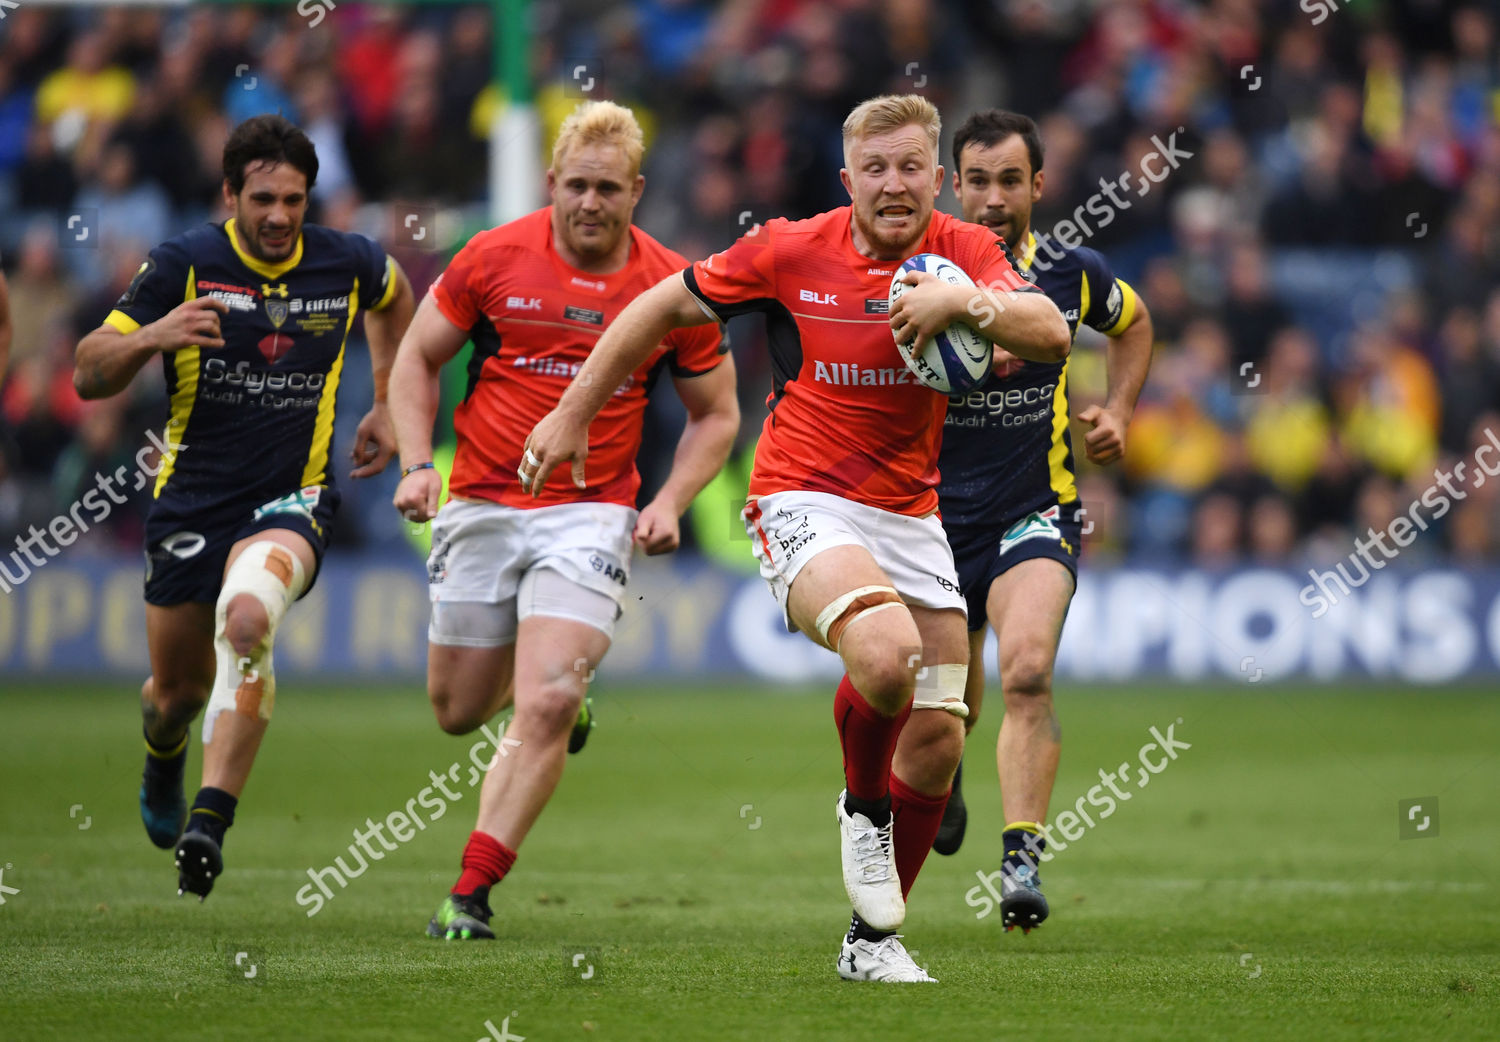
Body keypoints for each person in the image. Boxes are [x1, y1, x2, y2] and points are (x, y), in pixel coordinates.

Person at [524, 94, 1069, 981]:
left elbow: (1048, 331)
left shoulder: (966, 249)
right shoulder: (785, 248)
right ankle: (862, 809)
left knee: (939, 733)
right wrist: (573, 411)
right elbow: (659, 307)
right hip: (801, 496)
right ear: (847, 179)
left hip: (909, 511)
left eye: (912, 169)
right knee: (887, 658)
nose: (895, 186)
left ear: (938, 179)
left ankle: (871, 944)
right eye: (876, 169)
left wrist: (962, 301)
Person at [388, 100, 738, 941]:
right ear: (551, 183)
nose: (591, 202)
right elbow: (416, 358)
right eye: (577, 185)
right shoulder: (490, 257)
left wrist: (666, 502)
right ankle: (560, 683)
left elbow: (717, 414)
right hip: (480, 500)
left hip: (591, 513)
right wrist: (411, 462)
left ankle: (469, 894)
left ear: (638, 191)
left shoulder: (671, 285)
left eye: (608, 188)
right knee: (457, 710)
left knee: (542, 698)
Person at [72, 114, 415, 899]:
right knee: (177, 696)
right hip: (191, 501)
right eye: (262, 198)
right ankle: (164, 756)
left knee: (251, 620)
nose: (279, 216)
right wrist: (152, 334)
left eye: (294, 200)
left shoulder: (347, 262)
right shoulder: (184, 263)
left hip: (291, 499)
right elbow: (88, 373)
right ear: (230, 194)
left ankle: (209, 823)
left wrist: (388, 401)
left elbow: (397, 301)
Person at [933, 110, 1154, 932]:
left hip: (1035, 511)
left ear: (1038, 186)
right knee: (943, 702)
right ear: (956, 185)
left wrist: (1120, 411)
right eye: (979, 181)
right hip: (926, 522)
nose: (993, 199)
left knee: (1027, 670)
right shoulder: (912, 275)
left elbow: (1133, 324)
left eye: (1010, 181)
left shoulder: (1071, 273)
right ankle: (941, 766)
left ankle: (1019, 862)